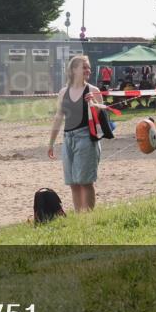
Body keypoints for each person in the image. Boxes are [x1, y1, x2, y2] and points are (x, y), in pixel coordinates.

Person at [48, 55, 113, 212]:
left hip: (86, 138)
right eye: (84, 67)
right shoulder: (63, 92)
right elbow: (58, 117)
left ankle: (88, 218)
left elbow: (102, 118)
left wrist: (94, 104)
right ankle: (79, 217)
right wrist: (51, 143)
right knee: (73, 183)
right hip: (68, 139)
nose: (88, 70)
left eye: (88, 67)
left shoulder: (93, 90)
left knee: (85, 182)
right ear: (73, 70)